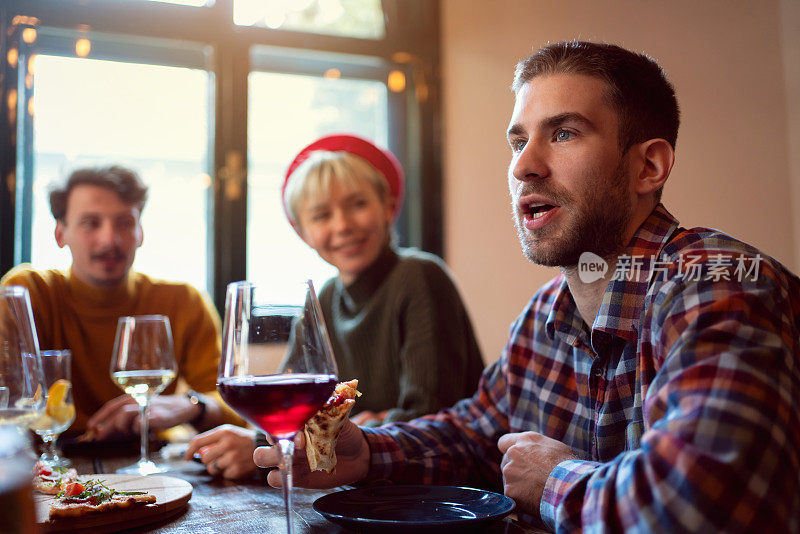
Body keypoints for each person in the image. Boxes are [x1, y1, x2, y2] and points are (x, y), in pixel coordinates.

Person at [252, 41, 800, 532]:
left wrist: (556, 479)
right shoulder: (545, 314)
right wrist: (369, 454)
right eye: (518, 141)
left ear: (648, 166)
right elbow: (475, 432)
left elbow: (699, 505)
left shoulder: (718, 285)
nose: (524, 167)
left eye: (563, 133)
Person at [186, 134, 485, 479]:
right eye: (322, 215)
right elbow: (292, 406)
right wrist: (363, 421)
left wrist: (258, 444)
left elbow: (427, 415)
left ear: (387, 207)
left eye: (358, 204)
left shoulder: (420, 276)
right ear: (302, 232)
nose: (342, 225)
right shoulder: (324, 298)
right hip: (365, 489)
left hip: (442, 492)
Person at [1, 165, 239, 439]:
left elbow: (233, 407)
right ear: (60, 234)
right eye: (91, 223)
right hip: (53, 463)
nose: (110, 239)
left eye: (124, 223)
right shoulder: (27, 292)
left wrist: (192, 405)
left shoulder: (184, 301)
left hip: (150, 466)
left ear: (140, 233)